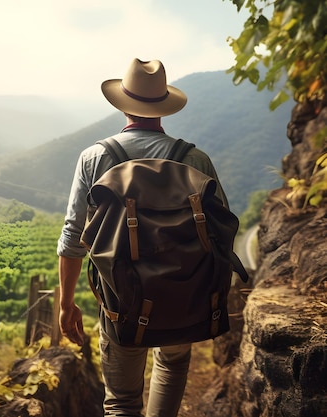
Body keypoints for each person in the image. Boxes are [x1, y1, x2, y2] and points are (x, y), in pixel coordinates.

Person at [57, 58, 229, 417]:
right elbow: (222, 232)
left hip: (122, 300)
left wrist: (66, 302)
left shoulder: (95, 158)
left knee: (120, 401)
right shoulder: (195, 159)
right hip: (185, 294)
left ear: (123, 103)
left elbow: (74, 235)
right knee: (172, 364)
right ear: (163, 107)